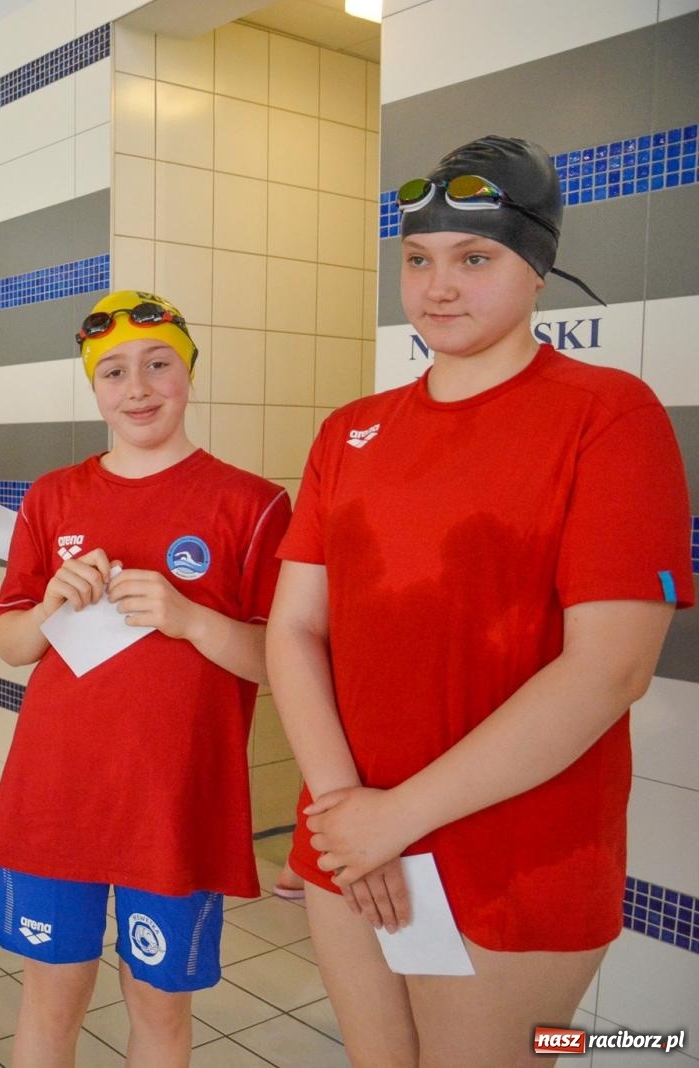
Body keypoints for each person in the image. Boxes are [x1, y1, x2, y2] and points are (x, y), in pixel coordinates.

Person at [267, 135, 692, 1067]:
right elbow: (294, 627)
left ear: (537, 268)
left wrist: (393, 820)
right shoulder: (350, 431)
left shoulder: (609, 417)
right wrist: (344, 812)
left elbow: (610, 670)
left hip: (515, 854)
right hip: (351, 839)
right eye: (418, 260)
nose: (438, 288)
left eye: (474, 259)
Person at [0, 291, 290, 1068]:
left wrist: (191, 619)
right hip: (58, 796)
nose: (139, 388)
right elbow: (11, 643)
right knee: (50, 1007)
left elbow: (282, 662)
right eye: (114, 372)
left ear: (188, 372)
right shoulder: (54, 496)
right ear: (94, 386)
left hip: (173, 804)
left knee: (159, 1012)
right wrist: (51, 602)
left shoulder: (252, 505)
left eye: (159, 365)